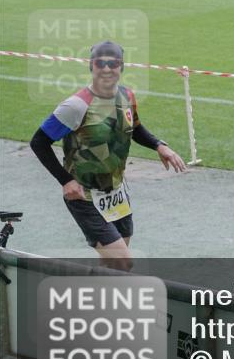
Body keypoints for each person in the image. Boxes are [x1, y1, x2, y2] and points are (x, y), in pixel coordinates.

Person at [29, 41, 186, 270]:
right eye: (100, 63)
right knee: (122, 260)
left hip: (116, 193)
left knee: (112, 265)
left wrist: (159, 145)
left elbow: (135, 128)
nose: (106, 69)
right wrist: (66, 181)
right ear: (91, 66)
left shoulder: (127, 96)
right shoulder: (76, 106)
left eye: (113, 63)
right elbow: (39, 142)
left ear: (121, 66)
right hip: (84, 196)